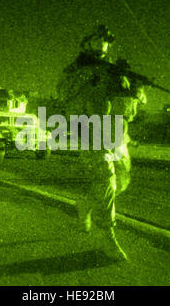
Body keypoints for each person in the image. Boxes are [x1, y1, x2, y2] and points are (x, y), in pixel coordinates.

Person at [56, 25, 146, 261]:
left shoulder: (114, 70)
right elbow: (63, 92)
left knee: (121, 181)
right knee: (106, 180)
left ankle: (85, 204)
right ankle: (108, 238)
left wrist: (133, 86)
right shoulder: (75, 70)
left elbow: (133, 104)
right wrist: (90, 76)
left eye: (105, 40)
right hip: (88, 130)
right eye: (97, 39)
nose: (102, 43)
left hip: (116, 131)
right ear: (86, 44)